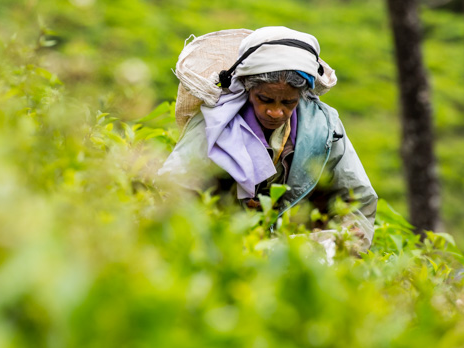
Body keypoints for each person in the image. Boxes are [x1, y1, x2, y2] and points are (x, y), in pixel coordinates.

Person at [159, 26, 377, 250]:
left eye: (288, 102)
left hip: (298, 247)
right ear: (248, 89)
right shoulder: (215, 123)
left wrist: (353, 229)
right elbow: (174, 187)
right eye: (265, 99)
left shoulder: (324, 128)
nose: (276, 112)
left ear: (301, 97)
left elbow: (356, 195)